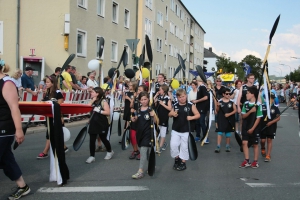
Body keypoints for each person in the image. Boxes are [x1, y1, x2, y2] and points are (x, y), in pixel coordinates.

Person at [0, 60, 31, 199]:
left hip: (4, 127)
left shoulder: (7, 83)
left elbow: (14, 107)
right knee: (6, 159)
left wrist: (19, 130)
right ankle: (22, 187)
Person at [37, 75, 68, 159]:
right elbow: (45, 102)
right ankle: (64, 147)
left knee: (49, 134)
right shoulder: (47, 92)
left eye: (47, 82)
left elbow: (60, 104)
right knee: (55, 134)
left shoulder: (57, 92)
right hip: (49, 116)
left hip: (56, 117)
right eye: (45, 82)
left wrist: (61, 117)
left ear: (53, 83)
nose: (45, 84)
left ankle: (45, 152)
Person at [169, 89, 200, 171]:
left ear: (186, 96)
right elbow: (169, 114)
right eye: (180, 97)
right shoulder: (175, 105)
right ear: (177, 98)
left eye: (183, 96)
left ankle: (183, 162)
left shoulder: (190, 105)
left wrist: (191, 117)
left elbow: (198, 115)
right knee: (173, 145)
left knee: (184, 147)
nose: (182, 98)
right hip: (176, 129)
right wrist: (172, 114)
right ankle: (177, 158)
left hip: (186, 130)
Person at [131, 91, 157, 179]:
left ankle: (140, 171)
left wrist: (154, 116)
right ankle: (152, 165)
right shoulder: (138, 110)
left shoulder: (150, 110)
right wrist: (133, 119)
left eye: (145, 99)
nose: (144, 101)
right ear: (139, 101)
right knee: (147, 152)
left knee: (143, 152)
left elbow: (157, 122)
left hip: (148, 134)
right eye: (142, 100)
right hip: (140, 134)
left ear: (148, 99)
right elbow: (136, 120)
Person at [86, 87, 114, 163]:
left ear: (97, 93)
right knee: (92, 140)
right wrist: (93, 100)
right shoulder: (93, 101)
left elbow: (108, 112)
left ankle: (109, 151)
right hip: (93, 123)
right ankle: (92, 156)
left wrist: (99, 111)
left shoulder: (103, 101)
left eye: (92, 92)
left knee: (103, 138)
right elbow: (87, 108)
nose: (91, 93)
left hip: (102, 123)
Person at [240, 87, 262, 168]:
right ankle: (247, 160)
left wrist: (252, 128)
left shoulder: (259, 105)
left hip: (254, 127)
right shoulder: (245, 104)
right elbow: (243, 116)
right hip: (246, 126)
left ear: (253, 94)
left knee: (255, 144)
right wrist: (250, 111)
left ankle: (255, 161)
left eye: (248, 93)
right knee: (244, 143)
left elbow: (259, 118)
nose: (246, 94)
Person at [260, 91, 280, 162]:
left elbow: (278, 118)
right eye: (270, 98)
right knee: (262, 140)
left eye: (272, 98)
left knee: (269, 140)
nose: (272, 100)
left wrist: (271, 122)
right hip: (263, 125)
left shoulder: (275, 108)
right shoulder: (262, 106)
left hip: (271, 126)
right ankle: (262, 148)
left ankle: (268, 155)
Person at [128, 84, 147, 160]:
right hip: (134, 119)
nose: (138, 91)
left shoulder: (146, 100)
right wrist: (133, 98)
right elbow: (131, 106)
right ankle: (136, 151)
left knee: (141, 137)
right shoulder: (136, 98)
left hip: (142, 120)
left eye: (140, 90)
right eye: (138, 90)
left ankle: (143, 152)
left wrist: (136, 111)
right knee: (132, 136)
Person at [215, 88, 236, 153]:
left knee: (228, 133)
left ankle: (227, 145)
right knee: (220, 132)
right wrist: (218, 106)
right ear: (223, 94)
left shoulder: (232, 102)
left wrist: (229, 114)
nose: (228, 95)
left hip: (229, 119)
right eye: (227, 94)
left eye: (229, 94)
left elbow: (235, 110)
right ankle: (218, 146)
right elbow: (217, 111)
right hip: (221, 119)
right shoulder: (220, 102)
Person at [154, 84, 172, 153]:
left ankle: (160, 147)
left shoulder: (167, 98)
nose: (159, 91)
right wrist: (155, 97)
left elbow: (170, 108)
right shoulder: (159, 97)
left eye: (160, 90)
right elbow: (154, 105)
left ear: (163, 90)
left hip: (164, 117)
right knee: (158, 130)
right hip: (158, 116)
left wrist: (163, 104)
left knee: (163, 132)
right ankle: (163, 143)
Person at [192, 77, 208, 143]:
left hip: (202, 107)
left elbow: (206, 97)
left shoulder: (202, 87)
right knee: (197, 122)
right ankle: (198, 136)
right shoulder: (199, 87)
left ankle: (205, 137)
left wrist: (197, 101)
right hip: (198, 107)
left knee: (202, 122)